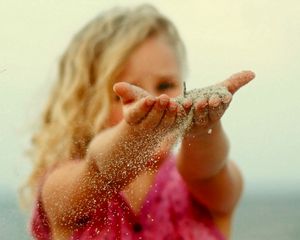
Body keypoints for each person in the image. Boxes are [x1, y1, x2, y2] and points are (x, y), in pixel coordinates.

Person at [25, 4, 255, 240]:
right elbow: (99, 168)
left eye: (165, 85)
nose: (157, 101)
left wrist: (201, 127)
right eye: (122, 95)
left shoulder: (201, 185)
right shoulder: (63, 186)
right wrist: (135, 135)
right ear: (86, 105)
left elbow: (206, 172)